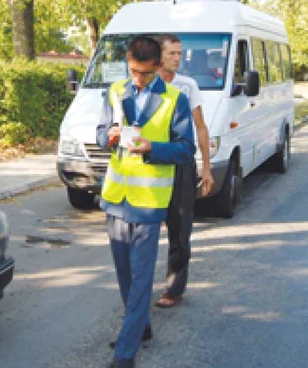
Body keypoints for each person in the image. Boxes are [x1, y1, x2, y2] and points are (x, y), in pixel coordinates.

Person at [97, 36, 195, 368]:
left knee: (140, 278)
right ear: (128, 63)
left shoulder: (174, 100)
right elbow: (100, 133)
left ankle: (125, 353)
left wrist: (152, 148)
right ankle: (142, 326)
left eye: (145, 74)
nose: (137, 79)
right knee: (125, 276)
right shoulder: (115, 91)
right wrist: (108, 137)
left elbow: (185, 149)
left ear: (158, 67)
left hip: (150, 202)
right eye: (133, 71)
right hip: (116, 199)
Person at [155, 34, 215, 308]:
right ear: (158, 56)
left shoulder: (187, 85)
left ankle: (174, 288)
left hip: (181, 167)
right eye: (172, 54)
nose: (177, 59)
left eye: (180, 54)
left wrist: (206, 167)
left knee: (180, 230)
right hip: (151, 166)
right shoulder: (146, 83)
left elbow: (200, 127)